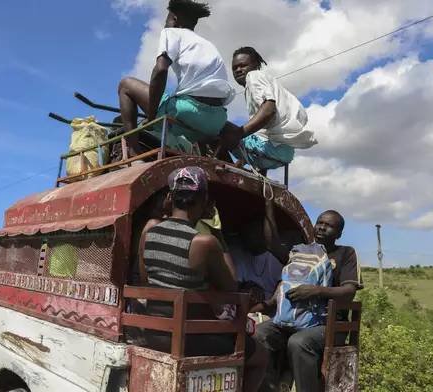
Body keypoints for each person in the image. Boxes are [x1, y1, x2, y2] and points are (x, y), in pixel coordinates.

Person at [138, 166, 267, 392]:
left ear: (170, 197)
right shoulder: (204, 242)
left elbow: (145, 276)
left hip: (153, 333)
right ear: (205, 201)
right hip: (194, 338)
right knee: (260, 356)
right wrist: (217, 231)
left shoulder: (149, 229)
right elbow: (232, 287)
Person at [251, 210, 364, 392]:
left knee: (299, 342)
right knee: (261, 334)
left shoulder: (345, 253)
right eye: (319, 222)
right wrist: (268, 205)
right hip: (292, 320)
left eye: (329, 225)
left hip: (329, 324)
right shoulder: (300, 251)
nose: (321, 227)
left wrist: (316, 291)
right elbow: (271, 243)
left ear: (339, 234)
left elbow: (349, 292)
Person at [118, 0, 236, 158]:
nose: (165, 24)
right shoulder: (206, 44)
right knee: (180, 98)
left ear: (174, 19)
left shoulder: (171, 32)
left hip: (190, 113)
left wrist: (151, 117)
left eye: (166, 21)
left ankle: (134, 153)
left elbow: (160, 70)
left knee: (125, 85)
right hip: (217, 120)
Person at [225, 47, 318, 175]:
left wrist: (236, 135)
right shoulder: (269, 83)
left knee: (217, 125)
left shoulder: (254, 76)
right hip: (282, 152)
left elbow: (269, 111)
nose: (238, 70)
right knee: (247, 132)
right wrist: (238, 166)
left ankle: (220, 172)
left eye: (243, 65)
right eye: (234, 68)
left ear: (255, 65)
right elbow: (262, 133)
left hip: (270, 149)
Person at [227, 199, 290, 307]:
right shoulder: (242, 257)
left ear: (262, 235)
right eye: (246, 233)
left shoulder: (275, 259)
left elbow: (281, 292)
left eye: (252, 233)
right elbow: (236, 286)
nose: (247, 236)